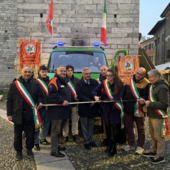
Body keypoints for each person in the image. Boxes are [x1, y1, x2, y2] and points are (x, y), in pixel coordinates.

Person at [7, 67, 43, 161]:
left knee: (30, 134)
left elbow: (40, 96)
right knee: (17, 134)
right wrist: (9, 113)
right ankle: (18, 151)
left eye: (29, 72)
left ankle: (29, 149)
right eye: (25, 72)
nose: (27, 73)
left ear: (32, 73)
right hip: (18, 114)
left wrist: (40, 102)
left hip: (30, 114)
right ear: (21, 73)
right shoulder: (14, 84)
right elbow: (10, 100)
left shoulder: (36, 84)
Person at [93, 69, 124, 156]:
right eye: (107, 75)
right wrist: (95, 96)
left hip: (115, 108)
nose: (108, 77)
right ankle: (109, 144)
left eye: (110, 75)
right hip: (106, 109)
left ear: (114, 76)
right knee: (107, 127)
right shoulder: (104, 83)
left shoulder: (119, 84)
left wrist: (107, 100)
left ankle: (114, 147)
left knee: (114, 127)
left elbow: (119, 97)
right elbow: (94, 91)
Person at [142, 69, 169, 164]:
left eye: (150, 77)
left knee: (159, 137)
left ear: (157, 77)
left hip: (158, 116)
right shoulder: (153, 85)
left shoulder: (162, 87)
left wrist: (151, 104)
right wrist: (146, 105)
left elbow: (165, 104)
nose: (149, 79)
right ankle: (153, 150)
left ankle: (160, 155)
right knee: (152, 134)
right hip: (152, 114)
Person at [123, 67, 150, 154]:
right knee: (129, 127)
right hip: (128, 108)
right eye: (137, 73)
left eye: (140, 74)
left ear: (144, 75)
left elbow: (146, 95)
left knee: (140, 128)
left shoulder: (147, 83)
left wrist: (143, 99)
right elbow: (124, 92)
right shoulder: (129, 80)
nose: (137, 75)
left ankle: (140, 146)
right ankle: (130, 144)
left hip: (139, 109)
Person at [48, 65, 72, 157]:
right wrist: (62, 101)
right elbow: (51, 95)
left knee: (59, 130)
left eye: (64, 71)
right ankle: (53, 150)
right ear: (57, 72)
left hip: (64, 111)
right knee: (55, 131)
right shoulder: (54, 81)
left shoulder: (65, 80)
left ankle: (56, 146)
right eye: (61, 71)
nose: (63, 72)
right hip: (56, 112)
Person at [76, 68, 99, 150]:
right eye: (86, 74)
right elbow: (80, 95)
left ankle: (90, 140)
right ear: (83, 75)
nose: (88, 75)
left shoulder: (94, 82)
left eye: (89, 73)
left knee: (91, 125)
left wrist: (94, 100)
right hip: (84, 107)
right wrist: (89, 101)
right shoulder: (79, 83)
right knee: (84, 126)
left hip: (93, 107)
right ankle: (86, 141)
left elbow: (96, 92)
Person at [34, 65, 50, 151]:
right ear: (39, 72)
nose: (44, 73)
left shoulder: (49, 81)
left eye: (45, 71)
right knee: (37, 126)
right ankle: (36, 142)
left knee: (46, 125)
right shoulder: (36, 82)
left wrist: (49, 104)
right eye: (42, 71)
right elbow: (37, 95)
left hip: (49, 107)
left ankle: (42, 139)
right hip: (40, 107)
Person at [63, 65, 79, 142]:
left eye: (71, 70)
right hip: (66, 105)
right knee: (66, 120)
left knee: (75, 120)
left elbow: (79, 91)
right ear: (66, 71)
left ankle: (75, 134)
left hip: (74, 104)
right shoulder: (63, 80)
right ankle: (65, 135)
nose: (70, 72)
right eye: (68, 70)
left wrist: (77, 96)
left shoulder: (77, 80)